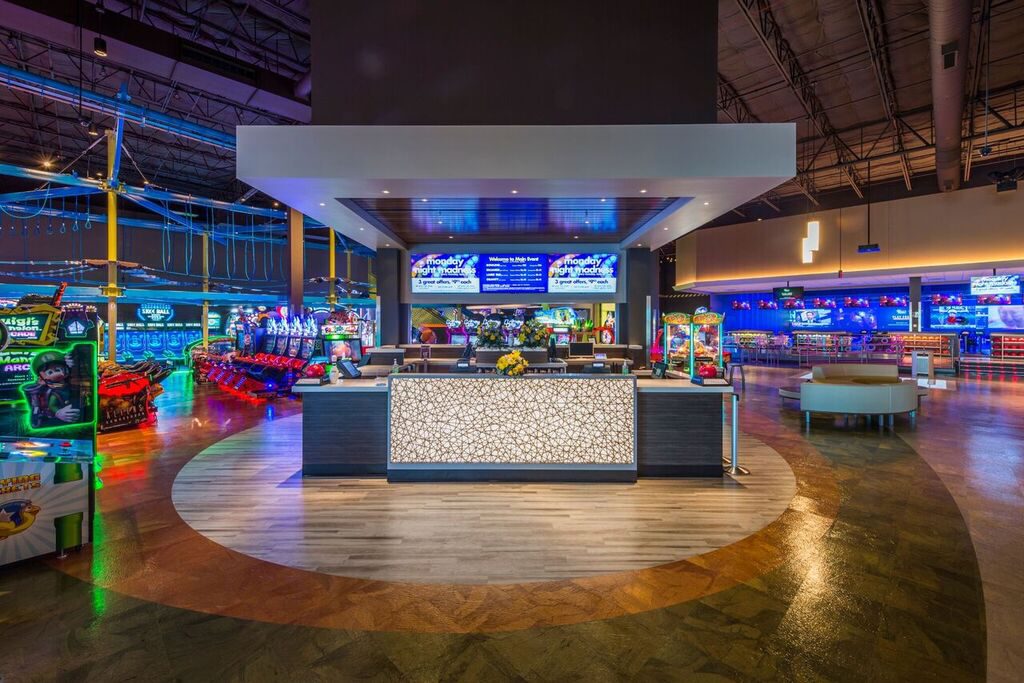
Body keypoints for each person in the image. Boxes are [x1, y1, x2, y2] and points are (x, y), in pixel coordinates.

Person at [23, 351, 81, 428]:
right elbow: (51, 405)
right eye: (50, 372)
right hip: (54, 419)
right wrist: (58, 413)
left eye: (58, 370)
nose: (56, 374)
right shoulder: (51, 391)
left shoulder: (68, 382)